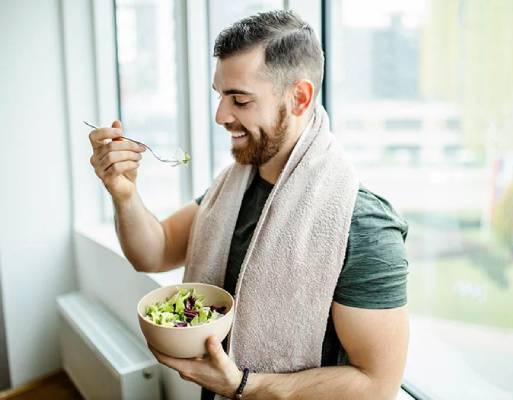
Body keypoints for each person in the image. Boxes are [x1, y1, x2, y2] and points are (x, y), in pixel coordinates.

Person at [89, 10, 409, 400]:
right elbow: (153, 252)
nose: (221, 116)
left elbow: (378, 386)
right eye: (220, 96)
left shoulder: (363, 226)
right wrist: (124, 194)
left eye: (239, 99)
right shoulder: (233, 187)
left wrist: (243, 385)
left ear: (299, 97)